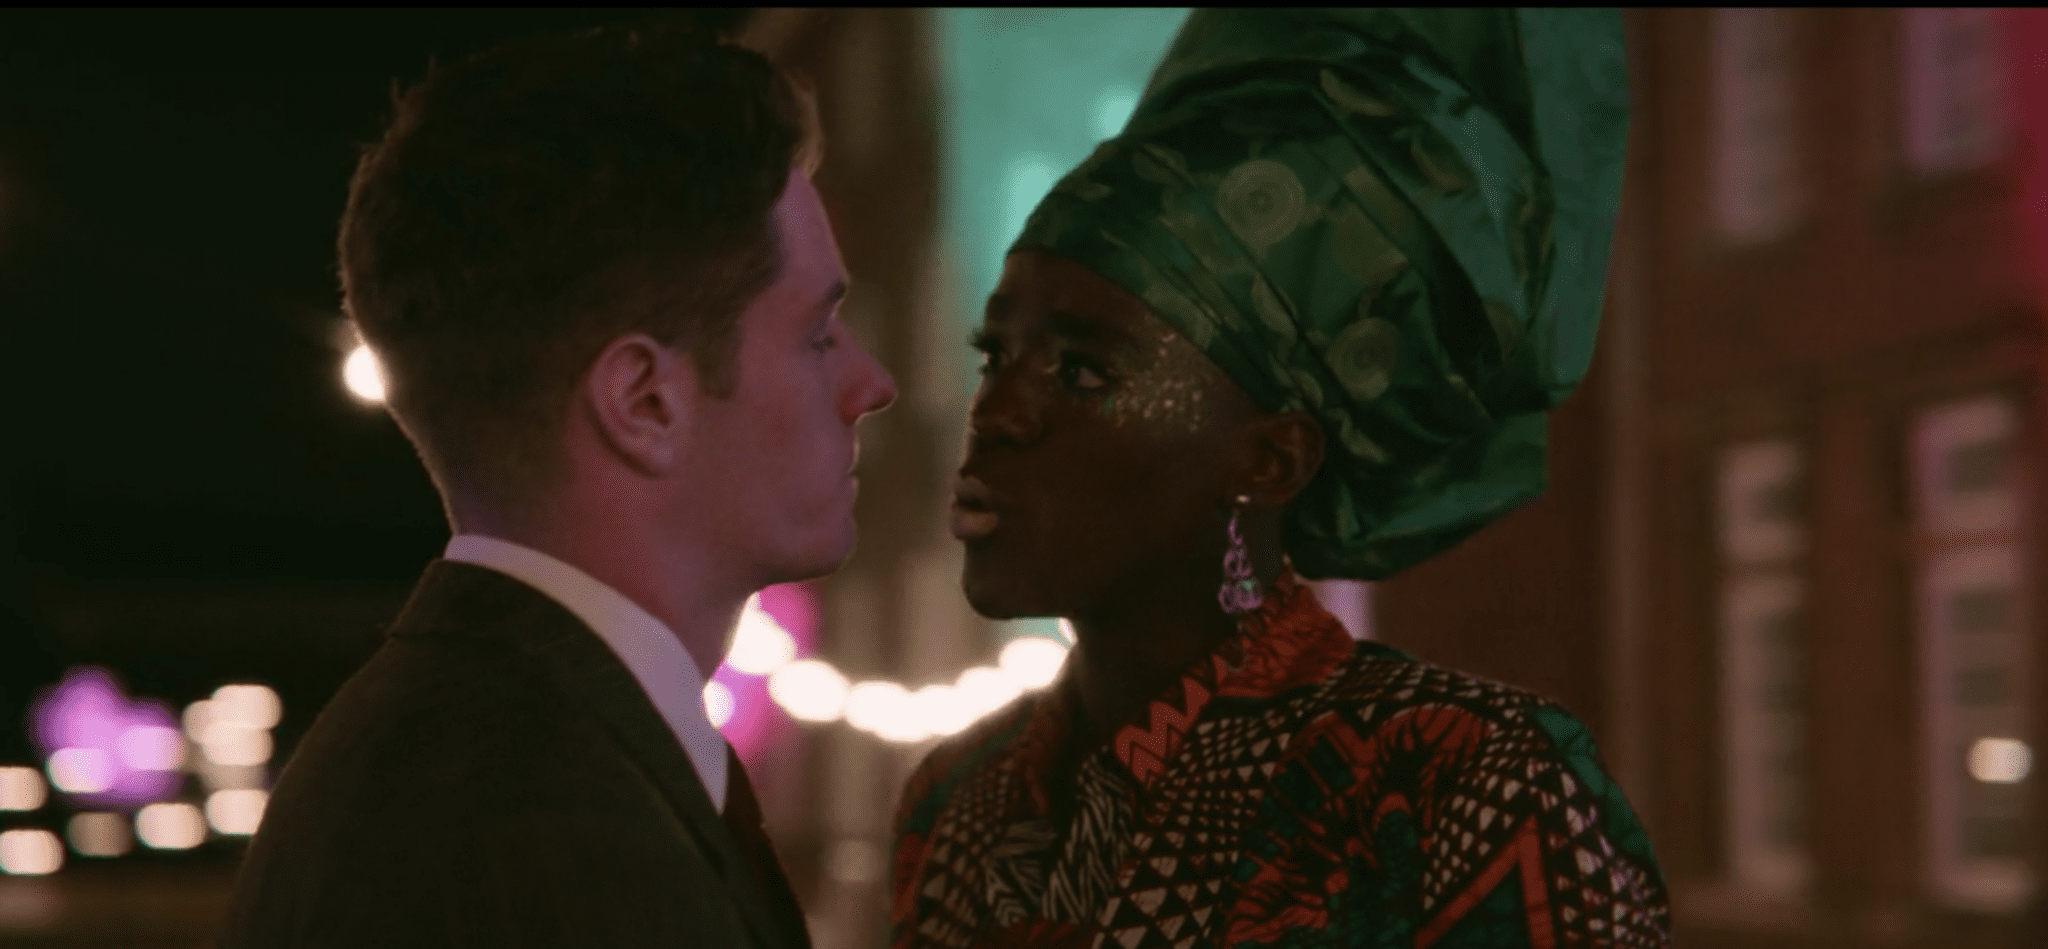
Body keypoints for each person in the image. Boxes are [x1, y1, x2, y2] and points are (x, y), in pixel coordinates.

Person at [892, 9, 1668, 948]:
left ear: (1270, 460)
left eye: (1084, 370)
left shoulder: (1468, 792)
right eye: (996, 354)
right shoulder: (955, 800)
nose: (998, 413)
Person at [221, 25, 895, 949]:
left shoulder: (447, 744)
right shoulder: (554, 830)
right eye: (818, 335)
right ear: (644, 401)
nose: (870, 384)